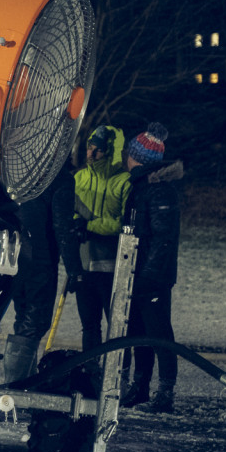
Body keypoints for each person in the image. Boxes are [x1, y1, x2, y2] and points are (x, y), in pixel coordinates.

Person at [120, 122, 184, 413]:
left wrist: (148, 275)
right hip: (139, 274)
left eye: (130, 153)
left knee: (159, 333)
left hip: (152, 277)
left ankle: (164, 393)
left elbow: (163, 239)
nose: (125, 156)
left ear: (138, 158)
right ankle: (141, 388)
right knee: (138, 332)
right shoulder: (142, 187)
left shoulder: (158, 191)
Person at [4, 158, 85, 383]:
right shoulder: (59, 179)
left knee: (24, 319)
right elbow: (62, 226)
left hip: (13, 257)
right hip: (40, 260)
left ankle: (23, 380)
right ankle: (18, 385)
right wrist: (74, 268)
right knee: (35, 321)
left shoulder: (19, 171)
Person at [73, 126, 132, 352]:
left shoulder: (123, 182)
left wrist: (89, 225)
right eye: (90, 147)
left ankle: (117, 375)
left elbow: (122, 224)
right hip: (84, 264)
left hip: (111, 268)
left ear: (110, 152)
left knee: (115, 328)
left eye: (98, 150)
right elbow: (70, 213)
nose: (91, 154)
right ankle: (91, 372)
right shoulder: (80, 178)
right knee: (89, 327)